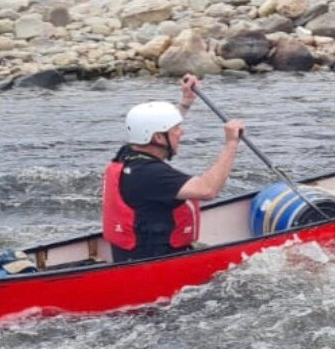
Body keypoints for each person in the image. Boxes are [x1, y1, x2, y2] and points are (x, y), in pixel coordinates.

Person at [102, 74, 244, 262]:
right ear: (158, 138)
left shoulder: (128, 153)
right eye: (175, 129)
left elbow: (156, 128)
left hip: (133, 257)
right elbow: (208, 190)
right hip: (154, 265)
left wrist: (186, 102)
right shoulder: (151, 175)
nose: (181, 132)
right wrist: (231, 143)